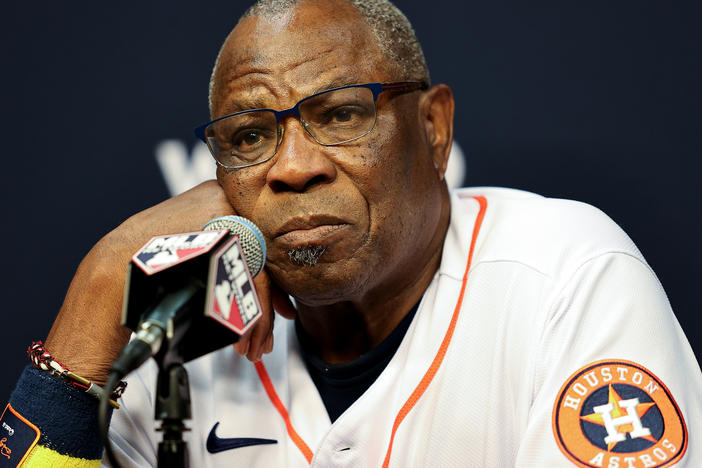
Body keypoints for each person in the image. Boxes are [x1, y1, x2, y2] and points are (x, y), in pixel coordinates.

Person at [3, 0, 701, 466]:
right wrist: (100, 290)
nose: (295, 168)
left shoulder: (563, 276)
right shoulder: (178, 337)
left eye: (340, 115)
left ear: (433, 129)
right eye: (250, 136)